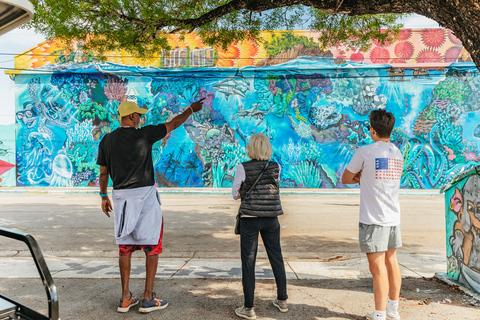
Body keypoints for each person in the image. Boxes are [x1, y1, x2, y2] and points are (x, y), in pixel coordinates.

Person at [97, 98, 204, 313]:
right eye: (137, 114)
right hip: (145, 197)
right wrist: (191, 109)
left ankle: (126, 297)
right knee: (152, 245)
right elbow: (174, 124)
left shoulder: (107, 140)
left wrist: (103, 196)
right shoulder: (145, 134)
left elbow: (103, 173)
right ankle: (147, 298)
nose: (140, 118)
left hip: (122, 198)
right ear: (130, 117)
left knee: (125, 246)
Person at [341, 109, 403, 320]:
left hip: (373, 218)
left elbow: (346, 178)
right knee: (392, 262)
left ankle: (379, 315)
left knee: (378, 269)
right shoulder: (397, 152)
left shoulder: (365, 152)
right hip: (393, 216)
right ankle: (393, 311)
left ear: (373, 130)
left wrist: (362, 176)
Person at [232, 133, 288, 320]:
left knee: (249, 262)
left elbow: (235, 194)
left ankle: (249, 308)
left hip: (250, 219)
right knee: (276, 257)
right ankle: (282, 300)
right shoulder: (276, 167)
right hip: (271, 218)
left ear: (251, 148)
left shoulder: (243, 167)